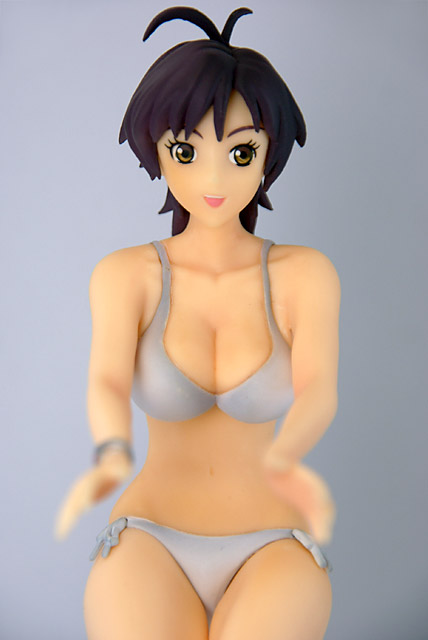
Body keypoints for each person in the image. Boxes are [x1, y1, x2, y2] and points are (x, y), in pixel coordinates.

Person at [55, 7, 340, 640]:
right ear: (157, 150)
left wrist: (290, 454)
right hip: (150, 532)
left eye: (241, 152)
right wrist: (110, 450)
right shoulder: (126, 275)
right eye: (186, 150)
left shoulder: (304, 276)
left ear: (268, 155)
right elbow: (106, 380)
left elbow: (320, 388)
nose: (214, 180)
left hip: (273, 538)